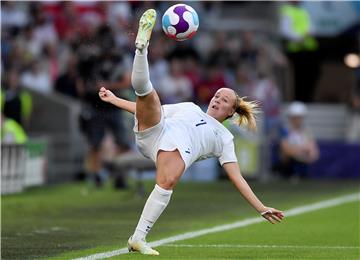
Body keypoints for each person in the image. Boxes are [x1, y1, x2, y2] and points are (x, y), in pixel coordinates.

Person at [98, 9, 284, 256]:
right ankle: (141, 48)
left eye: (225, 100)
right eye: (217, 95)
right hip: (155, 131)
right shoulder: (189, 107)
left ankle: (138, 238)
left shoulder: (224, 138)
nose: (218, 99)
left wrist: (260, 207)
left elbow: (237, 177)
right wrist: (114, 100)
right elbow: (146, 110)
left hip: (175, 150)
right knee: (148, 95)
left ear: (231, 111)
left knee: (168, 180)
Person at [277, 101, 319, 179]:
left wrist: (296, 150)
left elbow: (314, 154)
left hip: (304, 168)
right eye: (294, 117)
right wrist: (303, 149)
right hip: (289, 168)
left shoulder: (307, 132)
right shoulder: (285, 131)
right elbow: (286, 150)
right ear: (290, 118)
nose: (297, 120)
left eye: (299, 117)